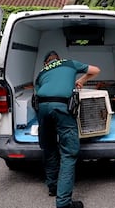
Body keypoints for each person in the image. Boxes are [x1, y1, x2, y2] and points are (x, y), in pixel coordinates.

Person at [35, 51, 100, 208]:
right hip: (62, 107)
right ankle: (63, 203)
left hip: (42, 107)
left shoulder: (41, 72)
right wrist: (82, 80)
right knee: (69, 154)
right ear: (58, 59)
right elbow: (96, 70)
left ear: (46, 63)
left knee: (49, 148)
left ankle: (53, 187)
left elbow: (37, 94)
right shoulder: (68, 62)